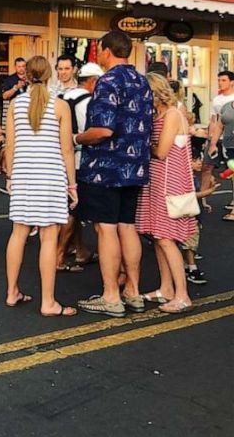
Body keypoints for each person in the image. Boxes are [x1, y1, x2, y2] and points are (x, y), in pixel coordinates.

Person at [75, 30, 153, 318]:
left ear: (105, 50)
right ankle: (132, 291)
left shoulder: (107, 81)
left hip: (106, 168)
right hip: (135, 166)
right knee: (127, 226)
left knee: (106, 228)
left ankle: (110, 295)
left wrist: (77, 138)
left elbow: (103, 130)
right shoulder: (141, 81)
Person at [4, 56, 79, 316]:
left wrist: (10, 176)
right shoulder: (60, 106)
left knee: (18, 233)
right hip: (51, 175)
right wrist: (72, 184)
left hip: (24, 174)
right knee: (49, 237)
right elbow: (67, 149)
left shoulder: (15, 104)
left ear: (26, 76)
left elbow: (10, 145)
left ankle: (12, 291)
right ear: (50, 75)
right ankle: (48, 301)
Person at [136, 74, 197, 314]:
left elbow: (161, 152)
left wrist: (144, 145)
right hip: (159, 181)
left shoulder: (172, 114)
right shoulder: (160, 114)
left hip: (169, 182)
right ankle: (166, 288)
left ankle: (182, 294)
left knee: (166, 238)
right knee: (159, 236)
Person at [55, 62, 102, 271]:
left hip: (59, 158)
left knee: (73, 206)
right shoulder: (90, 102)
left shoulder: (63, 98)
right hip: (81, 158)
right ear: (93, 81)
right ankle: (59, 254)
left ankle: (80, 249)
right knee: (73, 209)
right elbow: (93, 133)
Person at [207, 70, 234, 220]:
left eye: (224, 80)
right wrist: (212, 142)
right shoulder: (220, 102)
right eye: (219, 80)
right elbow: (216, 123)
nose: (220, 83)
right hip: (226, 144)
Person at [0, 57, 29, 124]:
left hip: (29, 110)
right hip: (15, 110)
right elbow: (4, 96)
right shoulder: (9, 79)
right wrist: (16, 88)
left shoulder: (30, 78)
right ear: (15, 67)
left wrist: (29, 83)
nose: (21, 68)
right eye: (19, 66)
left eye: (23, 66)